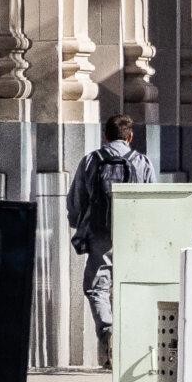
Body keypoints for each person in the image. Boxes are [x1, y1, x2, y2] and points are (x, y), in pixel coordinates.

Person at [67, 114, 156, 368]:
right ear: (130, 137)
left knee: (97, 287)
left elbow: (76, 200)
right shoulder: (141, 162)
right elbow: (152, 201)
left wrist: (79, 223)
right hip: (133, 234)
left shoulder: (91, 161)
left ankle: (107, 330)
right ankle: (129, 344)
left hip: (100, 233)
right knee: (131, 286)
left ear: (105, 135)